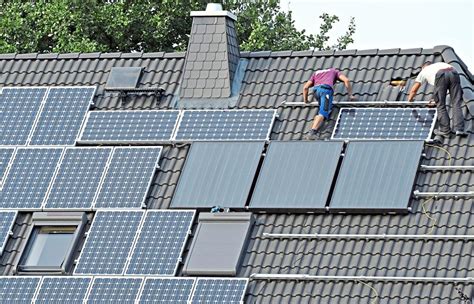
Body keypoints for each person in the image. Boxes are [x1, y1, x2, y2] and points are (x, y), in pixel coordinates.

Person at [408, 62, 467, 140]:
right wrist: (434, 98)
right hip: (454, 71)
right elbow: (445, 88)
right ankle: (459, 129)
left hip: (441, 75)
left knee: (440, 105)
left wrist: (410, 100)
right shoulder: (439, 65)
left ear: (423, 67)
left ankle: (445, 131)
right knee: (456, 102)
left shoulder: (424, 71)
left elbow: (414, 90)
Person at [303, 68, 355, 139]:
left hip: (316, 92)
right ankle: (312, 132)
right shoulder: (334, 71)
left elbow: (305, 87)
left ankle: (315, 123)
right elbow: (346, 80)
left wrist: (306, 100)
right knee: (323, 112)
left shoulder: (316, 73)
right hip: (325, 91)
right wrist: (350, 95)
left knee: (322, 109)